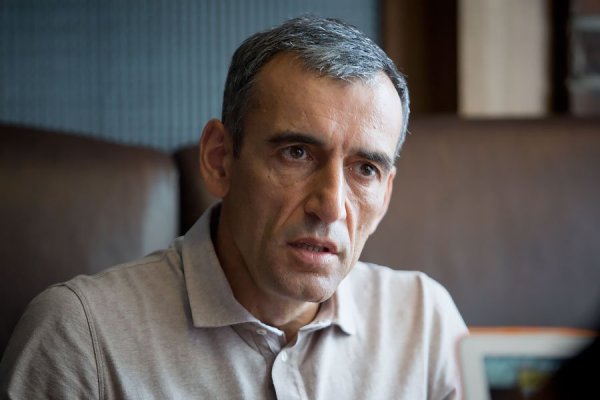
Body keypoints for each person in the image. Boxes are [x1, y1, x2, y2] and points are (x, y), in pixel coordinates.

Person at [0, 15, 467, 399]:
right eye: (296, 153)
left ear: (385, 195)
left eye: (365, 169)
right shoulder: (80, 338)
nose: (329, 206)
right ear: (220, 159)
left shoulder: (424, 322)